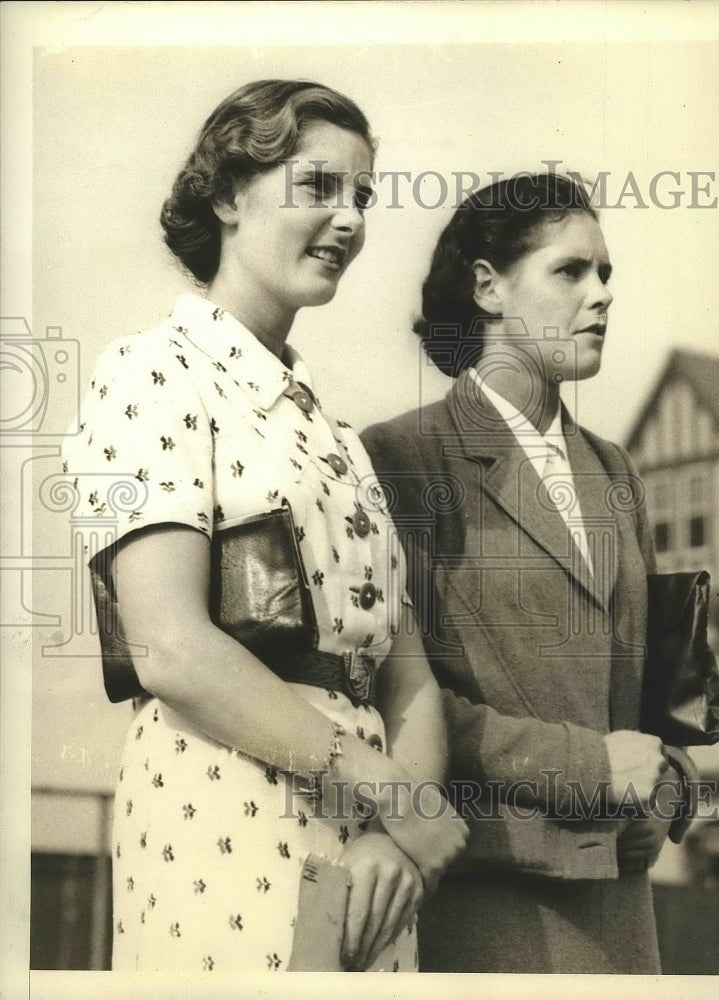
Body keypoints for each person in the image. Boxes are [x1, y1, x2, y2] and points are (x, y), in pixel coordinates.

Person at [61, 79, 467, 974]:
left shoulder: (334, 432)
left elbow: (407, 681)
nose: (352, 219)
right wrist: (391, 797)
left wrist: (401, 841)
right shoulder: (151, 373)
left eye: (362, 195)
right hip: (221, 822)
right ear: (227, 194)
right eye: (320, 187)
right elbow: (169, 648)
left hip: (369, 855)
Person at [361, 171, 697, 974]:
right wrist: (589, 767)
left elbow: (657, 689)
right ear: (488, 287)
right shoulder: (403, 456)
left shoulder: (614, 470)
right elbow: (395, 695)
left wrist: (668, 779)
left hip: (623, 903)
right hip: (489, 900)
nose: (602, 294)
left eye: (607, 273)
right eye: (571, 271)